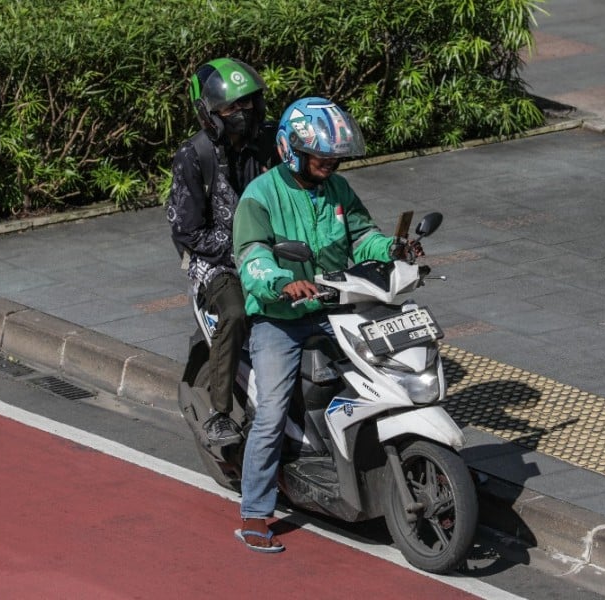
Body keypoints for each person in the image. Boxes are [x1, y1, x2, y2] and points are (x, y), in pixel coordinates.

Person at [231, 97, 420, 552]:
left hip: (338, 309)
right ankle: (255, 510)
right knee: (272, 410)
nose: (330, 164)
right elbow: (251, 257)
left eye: (335, 157)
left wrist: (393, 248)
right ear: (290, 149)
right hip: (280, 319)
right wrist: (281, 283)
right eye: (321, 157)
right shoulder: (260, 197)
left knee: (383, 370)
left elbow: (362, 235)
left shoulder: (337, 190)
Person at [166, 58, 278, 446]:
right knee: (234, 312)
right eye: (231, 107)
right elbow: (187, 229)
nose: (242, 114)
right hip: (216, 259)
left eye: (247, 103)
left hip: (270, 245)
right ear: (210, 113)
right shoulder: (193, 156)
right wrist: (238, 247)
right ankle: (219, 412)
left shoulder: (270, 140)